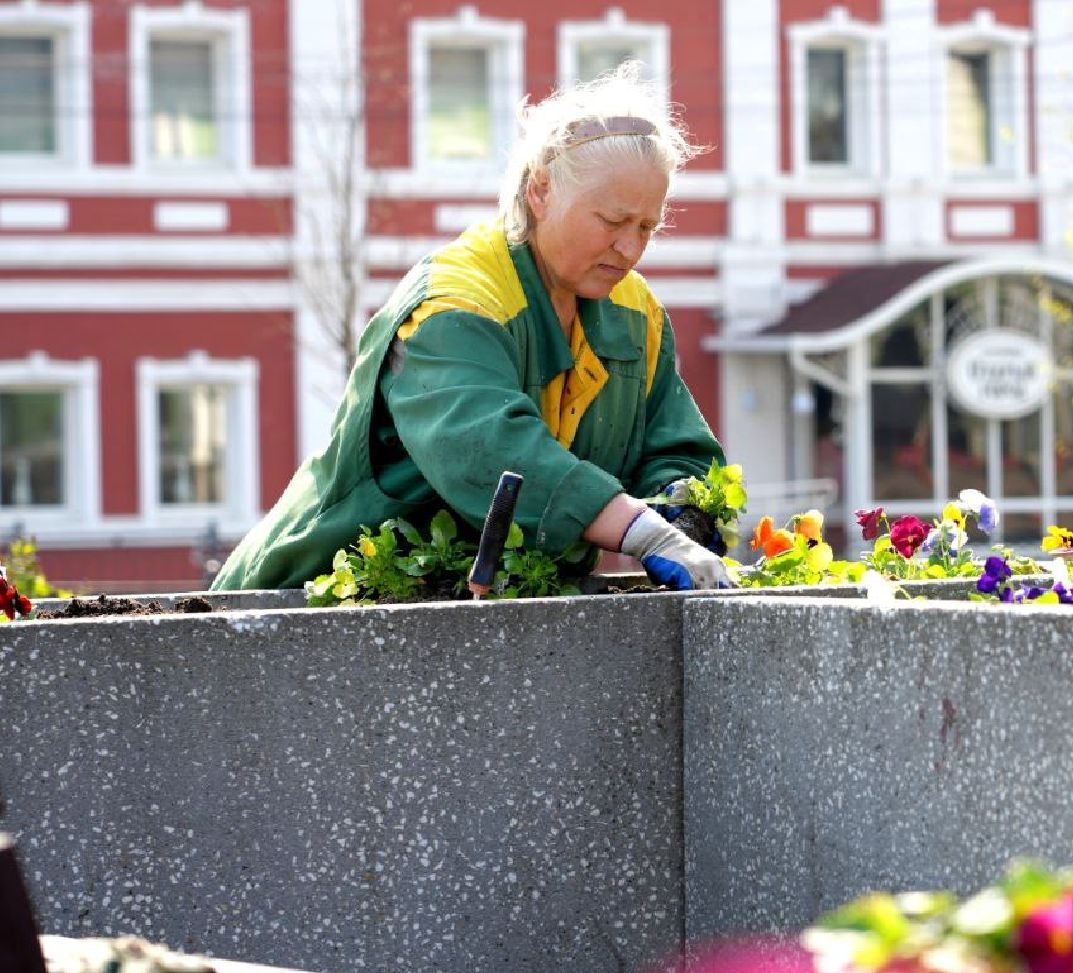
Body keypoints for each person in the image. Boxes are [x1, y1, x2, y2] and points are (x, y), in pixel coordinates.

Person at [213, 66, 731, 592]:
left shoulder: (634, 311)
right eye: (612, 221)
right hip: (302, 597)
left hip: (472, 608)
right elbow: (495, 452)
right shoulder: (454, 304)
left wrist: (682, 512)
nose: (631, 247)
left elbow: (674, 445)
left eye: (647, 226)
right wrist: (645, 534)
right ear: (541, 191)